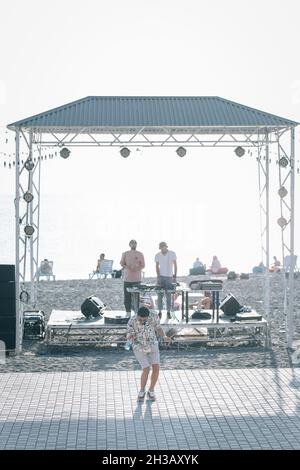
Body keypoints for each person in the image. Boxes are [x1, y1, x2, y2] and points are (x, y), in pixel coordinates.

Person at [127, 306, 171, 401]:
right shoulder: (132, 321)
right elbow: (129, 335)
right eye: (140, 319)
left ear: (148, 316)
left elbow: (158, 328)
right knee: (146, 369)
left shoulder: (154, 315)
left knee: (156, 368)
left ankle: (151, 391)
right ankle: (142, 391)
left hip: (152, 343)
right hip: (139, 346)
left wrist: (164, 336)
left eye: (144, 319)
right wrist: (131, 336)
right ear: (137, 315)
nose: (142, 321)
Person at [120, 240, 145, 316]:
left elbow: (143, 265)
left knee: (136, 297)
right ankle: (128, 313)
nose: (133, 244)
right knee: (127, 296)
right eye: (132, 243)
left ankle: (136, 313)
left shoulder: (140, 254)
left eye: (135, 243)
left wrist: (137, 268)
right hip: (127, 279)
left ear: (136, 244)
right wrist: (128, 267)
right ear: (129, 245)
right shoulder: (125, 253)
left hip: (137, 279)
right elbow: (121, 263)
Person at [155, 241, 177, 320]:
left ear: (166, 247)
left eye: (163, 247)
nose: (162, 249)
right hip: (161, 277)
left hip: (169, 277)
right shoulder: (158, 255)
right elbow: (157, 266)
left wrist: (175, 275)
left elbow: (175, 264)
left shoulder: (172, 253)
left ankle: (168, 312)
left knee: (168, 296)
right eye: (161, 248)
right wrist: (158, 276)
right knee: (159, 295)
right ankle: (160, 312)